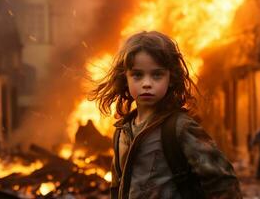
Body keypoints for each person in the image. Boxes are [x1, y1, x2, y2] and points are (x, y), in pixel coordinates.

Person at [90, 31, 242, 199]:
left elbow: (224, 182)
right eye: (137, 75)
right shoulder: (122, 132)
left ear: (171, 78)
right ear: (125, 79)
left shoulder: (179, 127)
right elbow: (117, 187)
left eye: (157, 74)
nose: (147, 83)